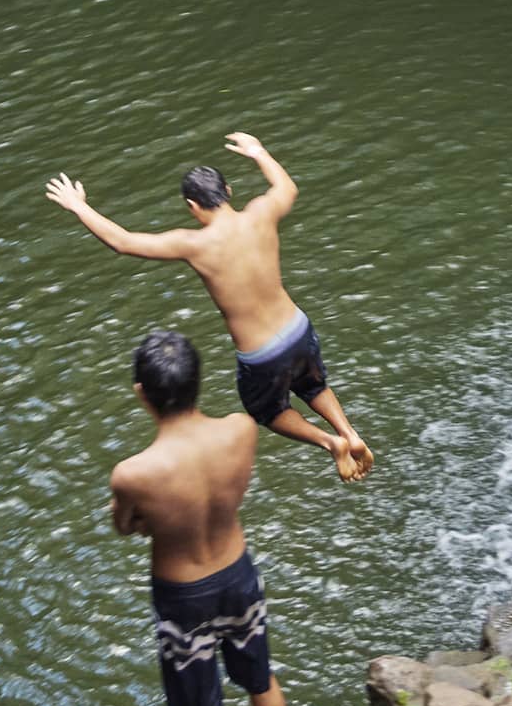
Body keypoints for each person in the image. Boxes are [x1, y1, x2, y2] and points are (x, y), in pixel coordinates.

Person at [47, 132, 373, 482]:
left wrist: (79, 206)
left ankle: (331, 443)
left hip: (262, 354)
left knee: (268, 410)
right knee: (313, 386)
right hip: (297, 327)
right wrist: (258, 152)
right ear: (228, 191)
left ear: (192, 206)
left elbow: (123, 242)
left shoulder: (194, 244)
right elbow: (287, 188)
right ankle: (349, 432)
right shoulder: (261, 212)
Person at [111, 329, 292, 706]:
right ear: (197, 383)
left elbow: (125, 525)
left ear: (141, 394)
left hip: (183, 595)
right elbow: (231, 493)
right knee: (260, 680)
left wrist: (152, 520)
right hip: (237, 572)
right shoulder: (241, 428)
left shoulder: (134, 473)